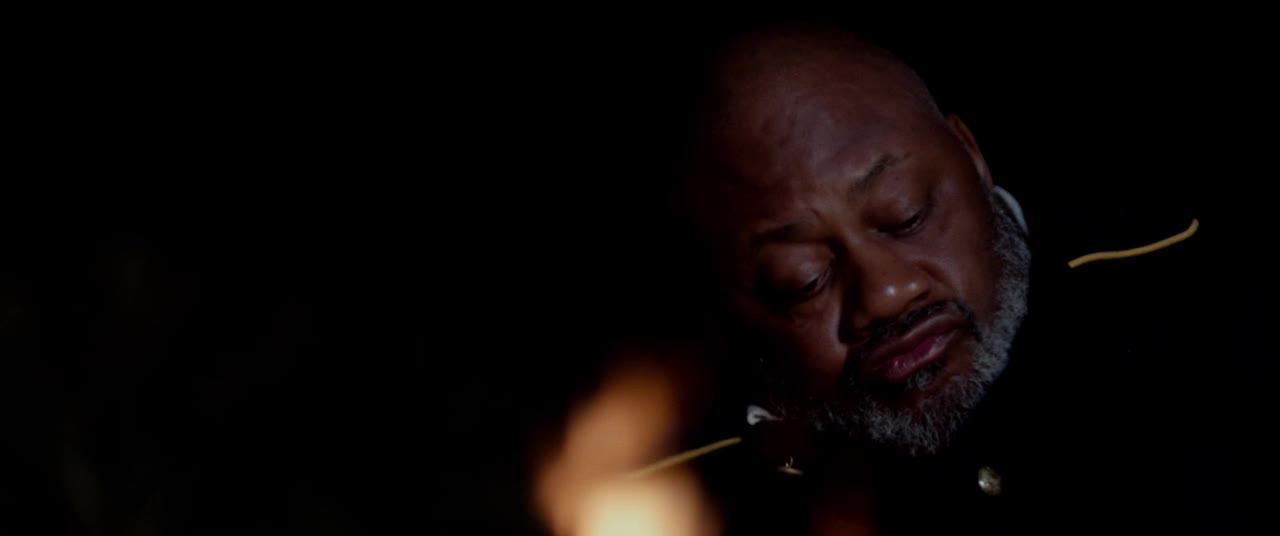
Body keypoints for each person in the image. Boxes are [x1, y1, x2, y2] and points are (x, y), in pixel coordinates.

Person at [657, 22, 1261, 535]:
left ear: (971, 155)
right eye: (804, 281)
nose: (886, 294)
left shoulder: (1202, 283)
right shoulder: (668, 493)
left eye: (907, 215)